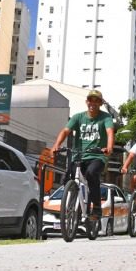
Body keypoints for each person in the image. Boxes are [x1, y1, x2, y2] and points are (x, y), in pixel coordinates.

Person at [51, 89, 114, 221]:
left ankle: (96, 207)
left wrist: (108, 147)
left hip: (97, 156)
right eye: (91, 100)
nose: (93, 103)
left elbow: (109, 133)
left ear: (101, 103)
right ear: (87, 102)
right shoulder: (78, 117)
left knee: (91, 174)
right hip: (79, 156)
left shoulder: (106, 118)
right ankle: (75, 205)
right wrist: (56, 145)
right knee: (68, 178)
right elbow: (65, 131)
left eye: (97, 101)